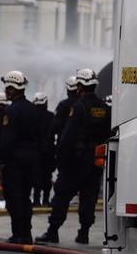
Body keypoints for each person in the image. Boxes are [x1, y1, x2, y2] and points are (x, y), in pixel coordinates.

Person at [36, 68, 111, 244]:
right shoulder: (104, 108)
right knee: (89, 198)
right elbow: (108, 135)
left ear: (80, 87)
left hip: (75, 162)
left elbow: (67, 137)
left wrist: (60, 159)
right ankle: (83, 234)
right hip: (94, 162)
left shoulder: (78, 107)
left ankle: (53, 231)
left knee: (61, 196)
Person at [0, 70, 41, 244]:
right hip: (31, 161)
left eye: (7, 88)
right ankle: (27, 233)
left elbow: (7, 139)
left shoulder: (11, 110)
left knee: (14, 197)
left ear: (13, 89)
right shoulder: (33, 109)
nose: (6, 92)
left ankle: (18, 234)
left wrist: (1, 162)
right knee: (25, 197)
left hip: (14, 162)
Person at [32, 92, 55, 207]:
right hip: (48, 151)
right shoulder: (51, 116)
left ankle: (36, 200)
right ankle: (46, 200)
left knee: (35, 177)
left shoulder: (30, 116)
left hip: (34, 151)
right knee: (47, 177)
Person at [51, 75, 81, 149]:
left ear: (67, 89)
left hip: (64, 145)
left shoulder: (62, 105)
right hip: (80, 146)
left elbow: (54, 126)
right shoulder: (83, 104)